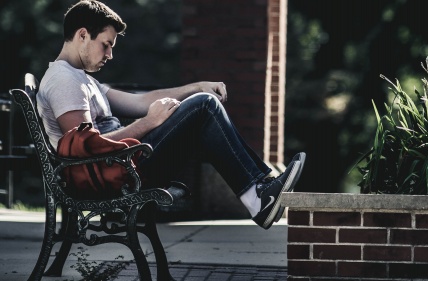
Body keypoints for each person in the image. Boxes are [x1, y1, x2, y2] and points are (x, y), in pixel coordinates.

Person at [37, 0, 305, 229]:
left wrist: (196, 87)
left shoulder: (82, 79)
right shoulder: (63, 80)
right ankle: (257, 197)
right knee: (204, 106)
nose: (110, 54)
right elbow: (85, 152)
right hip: (118, 173)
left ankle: (260, 190)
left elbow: (141, 101)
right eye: (106, 45)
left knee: (202, 102)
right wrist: (150, 122)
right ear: (82, 35)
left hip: (123, 164)